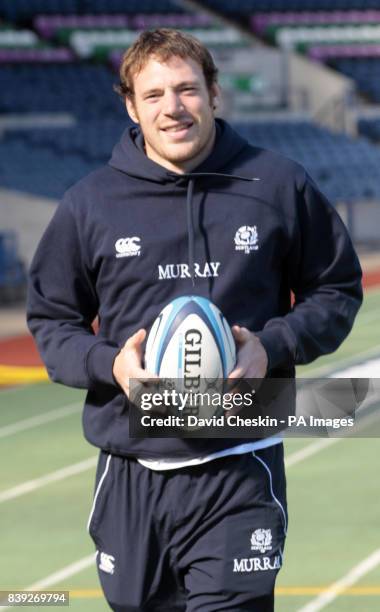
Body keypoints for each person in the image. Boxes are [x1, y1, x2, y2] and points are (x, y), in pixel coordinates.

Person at [27, 29, 363, 612]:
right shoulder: (90, 203)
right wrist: (113, 367)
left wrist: (271, 346)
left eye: (186, 89)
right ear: (131, 106)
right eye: (153, 95)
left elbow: (334, 289)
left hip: (239, 463)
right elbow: (52, 320)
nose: (172, 108)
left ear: (213, 93)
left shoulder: (278, 184)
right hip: (132, 467)